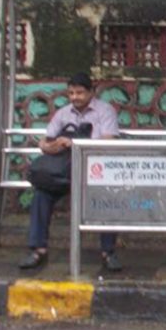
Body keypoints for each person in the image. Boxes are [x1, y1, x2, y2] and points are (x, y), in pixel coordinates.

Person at [19, 72, 122, 272]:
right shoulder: (63, 113)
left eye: (80, 93)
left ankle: (108, 252)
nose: (75, 97)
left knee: (109, 195)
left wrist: (74, 143)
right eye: (71, 93)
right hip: (63, 172)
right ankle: (37, 249)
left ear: (91, 92)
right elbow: (46, 139)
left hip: (95, 172)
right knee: (41, 195)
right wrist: (48, 146)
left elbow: (110, 141)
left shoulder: (105, 111)